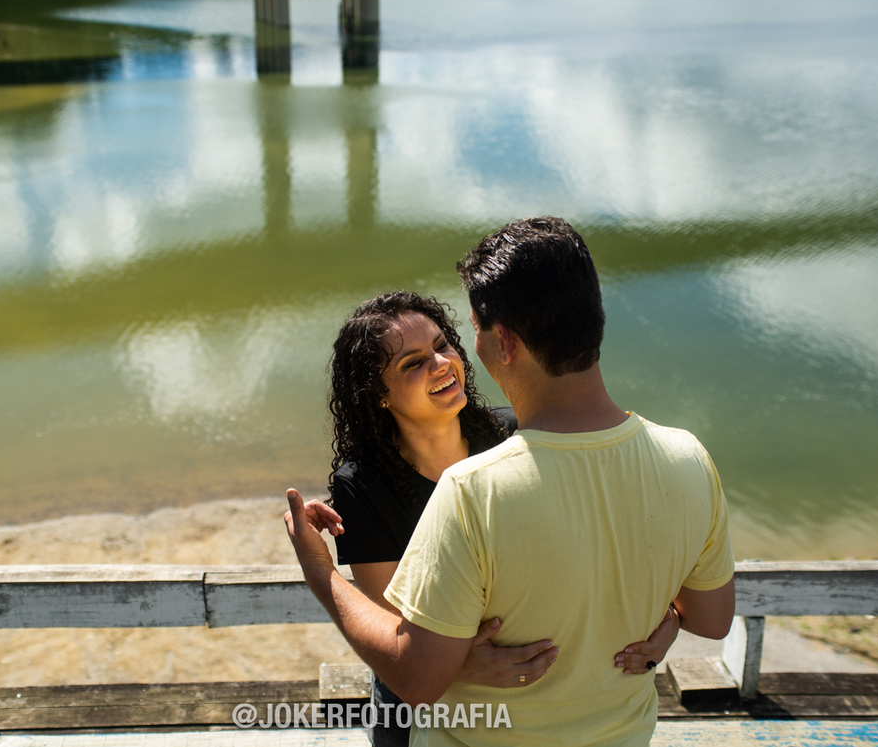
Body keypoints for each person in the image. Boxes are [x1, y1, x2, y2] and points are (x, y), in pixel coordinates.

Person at [285, 217, 735, 746]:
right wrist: (664, 617)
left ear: (502, 340)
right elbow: (712, 616)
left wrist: (318, 570)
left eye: (461, 334)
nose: (448, 358)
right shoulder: (689, 456)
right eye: (413, 362)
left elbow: (415, 671)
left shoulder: (473, 488)